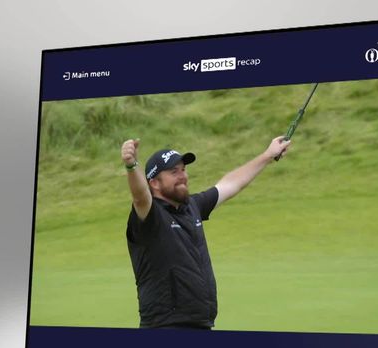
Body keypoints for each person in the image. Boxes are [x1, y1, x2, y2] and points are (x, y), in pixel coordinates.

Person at [121, 136, 291, 329]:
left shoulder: (191, 207)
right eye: (174, 172)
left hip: (201, 324)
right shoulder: (151, 216)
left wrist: (267, 155)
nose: (183, 176)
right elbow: (140, 197)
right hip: (164, 327)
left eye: (183, 170)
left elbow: (230, 184)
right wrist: (132, 166)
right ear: (154, 183)